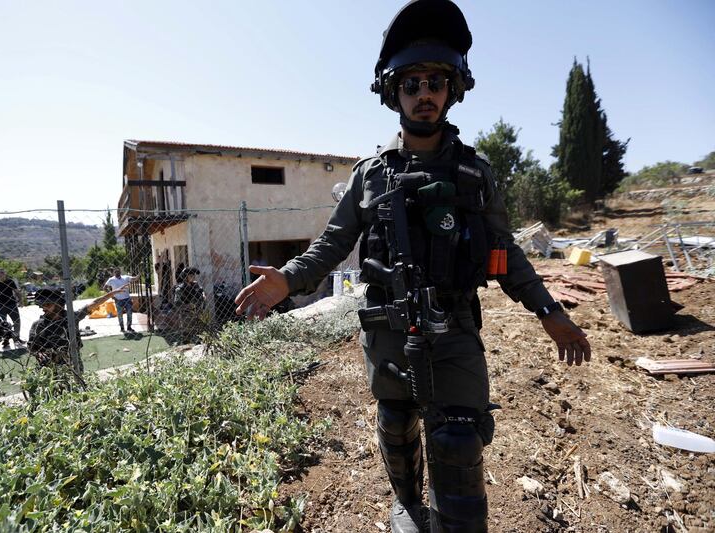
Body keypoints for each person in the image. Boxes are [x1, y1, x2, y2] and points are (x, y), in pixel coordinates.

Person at [235, 2, 592, 531]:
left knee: (458, 440)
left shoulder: (476, 173)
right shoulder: (370, 176)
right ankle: (408, 508)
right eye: (412, 84)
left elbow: (506, 253)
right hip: (387, 329)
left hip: (455, 328)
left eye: (435, 82)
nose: (424, 93)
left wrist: (548, 310)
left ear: (453, 89)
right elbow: (334, 242)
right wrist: (288, 279)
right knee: (397, 427)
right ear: (392, 92)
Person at [28, 287, 118, 368]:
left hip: (74, 363)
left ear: (58, 304)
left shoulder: (71, 318)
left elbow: (92, 305)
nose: (43, 308)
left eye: (48, 305)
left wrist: (111, 294)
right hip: (51, 368)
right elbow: (32, 347)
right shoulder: (39, 325)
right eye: (42, 305)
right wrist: (39, 354)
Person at [173, 267, 205, 342]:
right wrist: (187, 305)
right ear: (185, 277)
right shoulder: (180, 289)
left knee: (199, 333)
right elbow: (176, 302)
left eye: (193, 275)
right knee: (186, 334)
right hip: (186, 315)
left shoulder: (195, 285)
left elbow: (201, 291)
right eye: (191, 276)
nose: (193, 277)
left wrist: (203, 295)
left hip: (197, 312)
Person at [104, 268, 136, 333]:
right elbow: (105, 288)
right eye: (115, 271)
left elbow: (135, 278)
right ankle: (122, 328)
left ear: (120, 272)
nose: (117, 272)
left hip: (127, 299)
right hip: (118, 300)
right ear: (114, 273)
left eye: (118, 271)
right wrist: (112, 295)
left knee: (129, 313)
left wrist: (139, 274)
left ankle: (129, 327)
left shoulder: (125, 277)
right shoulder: (111, 279)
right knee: (120, 314)